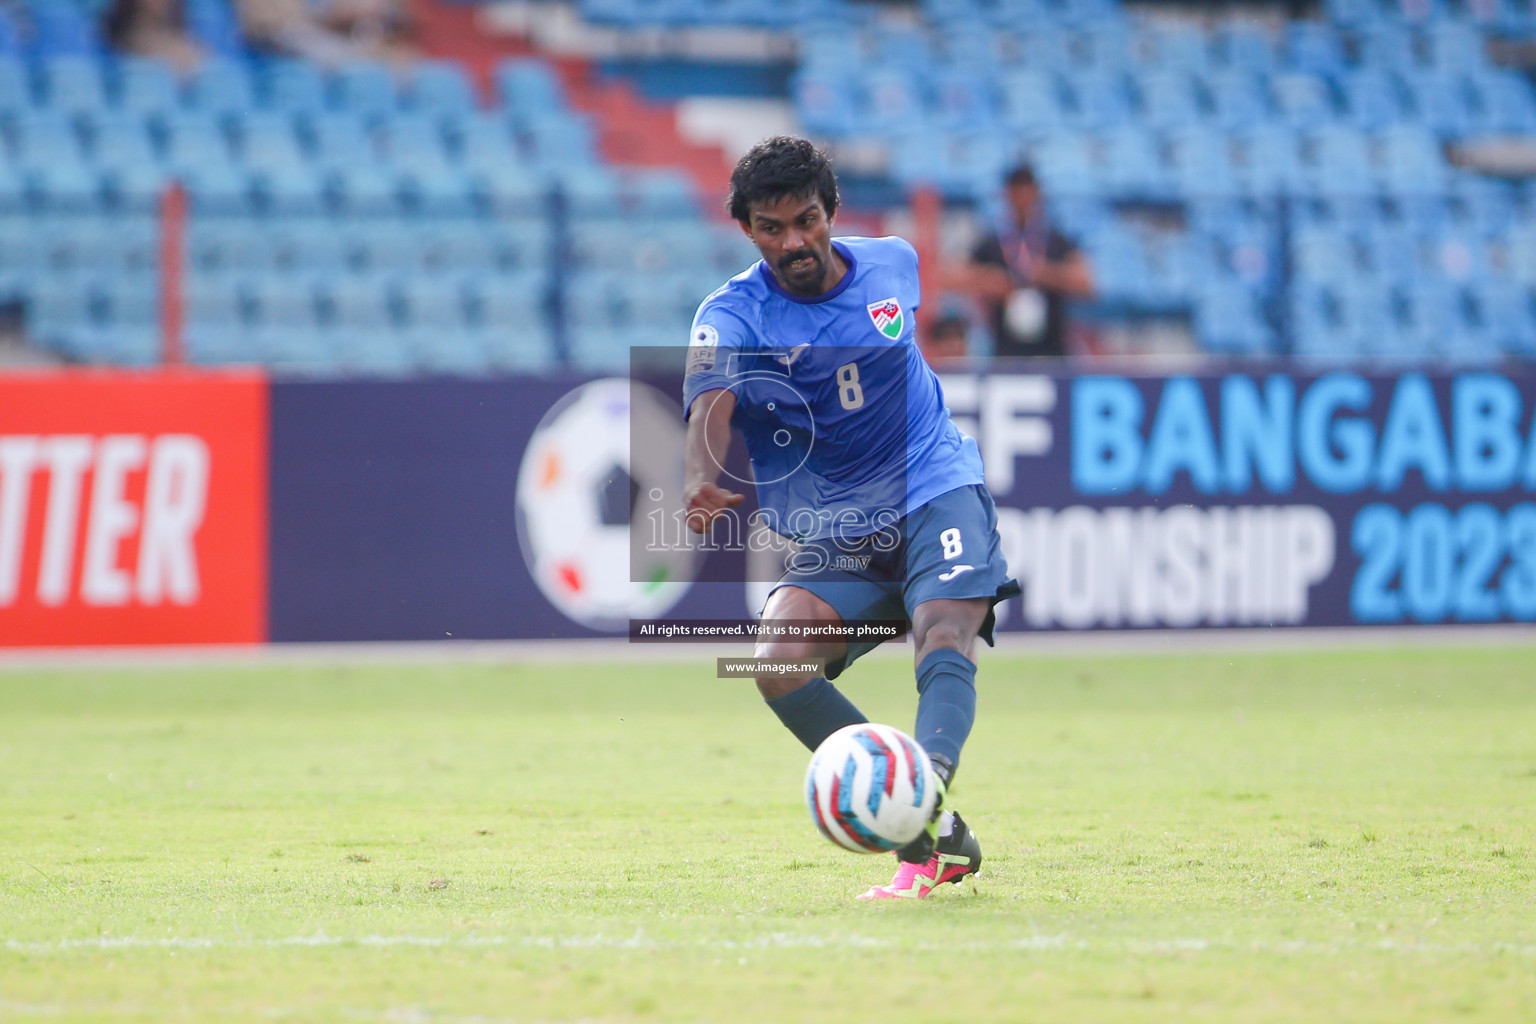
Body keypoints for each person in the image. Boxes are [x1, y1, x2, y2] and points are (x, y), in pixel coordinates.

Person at [681, 136, 1019, 900]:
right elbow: (709, 405)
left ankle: (920, 788)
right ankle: (932, 841)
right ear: (748, 231)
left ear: (830, 210)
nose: (794, 242)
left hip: (936, 484)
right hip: (842, 524)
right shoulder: (730, 316)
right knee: (775, 661)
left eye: (806, 220)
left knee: (942, 629)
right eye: (773, 228)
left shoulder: (895, 264)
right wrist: (702, 477)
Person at [963, 163, 1095, 358]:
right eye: (1016, 191)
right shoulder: (993, 242)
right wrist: (991, 283)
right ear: (1007, 194)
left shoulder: (1055, 240)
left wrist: (1046, 275)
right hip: (1005, 351)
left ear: (1037, 193)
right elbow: (957, 278)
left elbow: (1087, 284)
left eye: (1027, 190)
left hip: (1052, 349)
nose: (1022, 198)